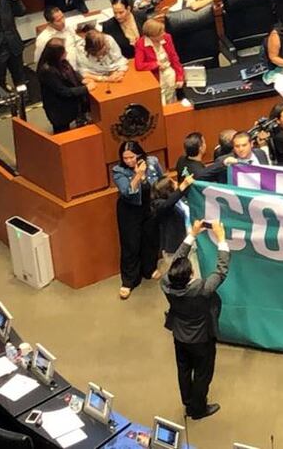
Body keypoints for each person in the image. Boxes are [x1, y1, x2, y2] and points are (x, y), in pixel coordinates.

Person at [162, 219, 230, 420]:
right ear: (191, 274)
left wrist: (192, 234)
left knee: (183, 370)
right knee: (202, 374)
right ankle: (198, 409)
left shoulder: (166, 283)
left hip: (179, 336)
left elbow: (176, 260)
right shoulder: (201, 289)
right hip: (201, 340)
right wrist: (222, 238)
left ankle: (188, 401)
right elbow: (221, 270)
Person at [112, 141, 166, 299]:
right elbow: (127, 192)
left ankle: (149, 269)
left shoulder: (152, 162)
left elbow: (160, 181)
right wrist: (138, 175)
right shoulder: (118, 171)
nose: (129, 161)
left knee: (150, 238)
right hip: (130, 211)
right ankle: (129, 280)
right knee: (131, 244)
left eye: (132, 157)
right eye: (125, 158)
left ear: (139, 154)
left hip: (149, 207)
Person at [36, 39, 93, 132]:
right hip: (60, 109)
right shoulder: (47, 71)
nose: (66, 53)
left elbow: (73, 72)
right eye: (64, 51)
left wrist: (82, 79)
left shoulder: (61, 61)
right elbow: (63, 91)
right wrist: (86, 89)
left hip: (73, 103)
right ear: (56, 54)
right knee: (63, 134)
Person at [148, 173, 196, 272]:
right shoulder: (158, 204)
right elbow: (167, 205)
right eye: (173, 182)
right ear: (167, 189)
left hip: (190, 240)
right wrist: (182, 187)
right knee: (178, 275)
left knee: (193, 272)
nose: (176, 183)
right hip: (175, 247)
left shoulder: (180, 199)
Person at [134, 18, 185, 104]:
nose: (163, 34)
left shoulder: (167, 37)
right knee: (160, 102)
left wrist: (180, 77)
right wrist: (156, 64)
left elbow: (174, 58)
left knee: (171, 100)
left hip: (169, 74)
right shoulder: (141, 44)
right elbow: (139, 65)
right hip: (156, 77)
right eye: (160, 33)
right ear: (151, 36)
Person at [0, 0, 26, 89]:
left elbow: (21, 11)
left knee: (20, 76)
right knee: (0, 79)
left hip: (13, 43)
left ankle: (24, 100)